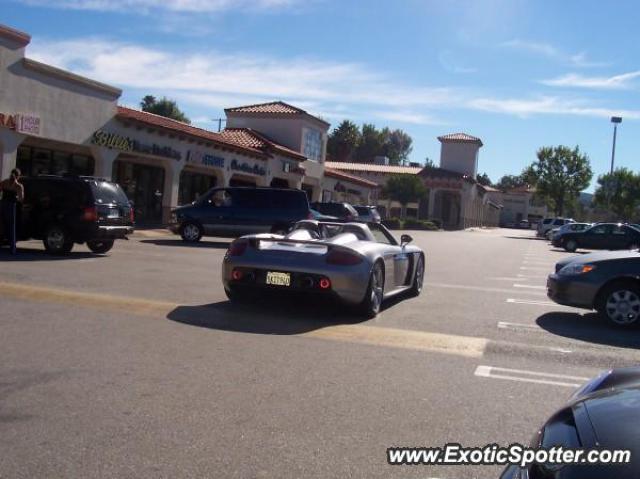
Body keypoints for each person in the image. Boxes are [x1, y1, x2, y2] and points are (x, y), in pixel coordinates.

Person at [0, 168, 24, 254]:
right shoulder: (18, 186)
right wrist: (16, 198)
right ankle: (12, 248)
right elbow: (21, 199)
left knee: (1, 224)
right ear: (18, 176)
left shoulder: (4, 182)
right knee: (11, 227)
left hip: (2, 204)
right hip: (11, 206)